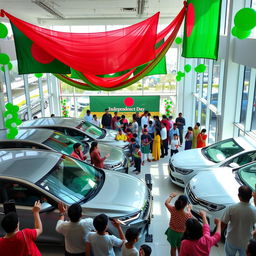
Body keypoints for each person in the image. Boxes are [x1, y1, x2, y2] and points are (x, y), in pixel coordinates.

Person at [221, 185, 256, 256]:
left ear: (239, 196)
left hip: (231, 239)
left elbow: (223, 223)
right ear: (251, 196)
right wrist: (253, 233)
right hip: (246, 242)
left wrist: (217, 236)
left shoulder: (231, 208)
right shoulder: (254, 211)